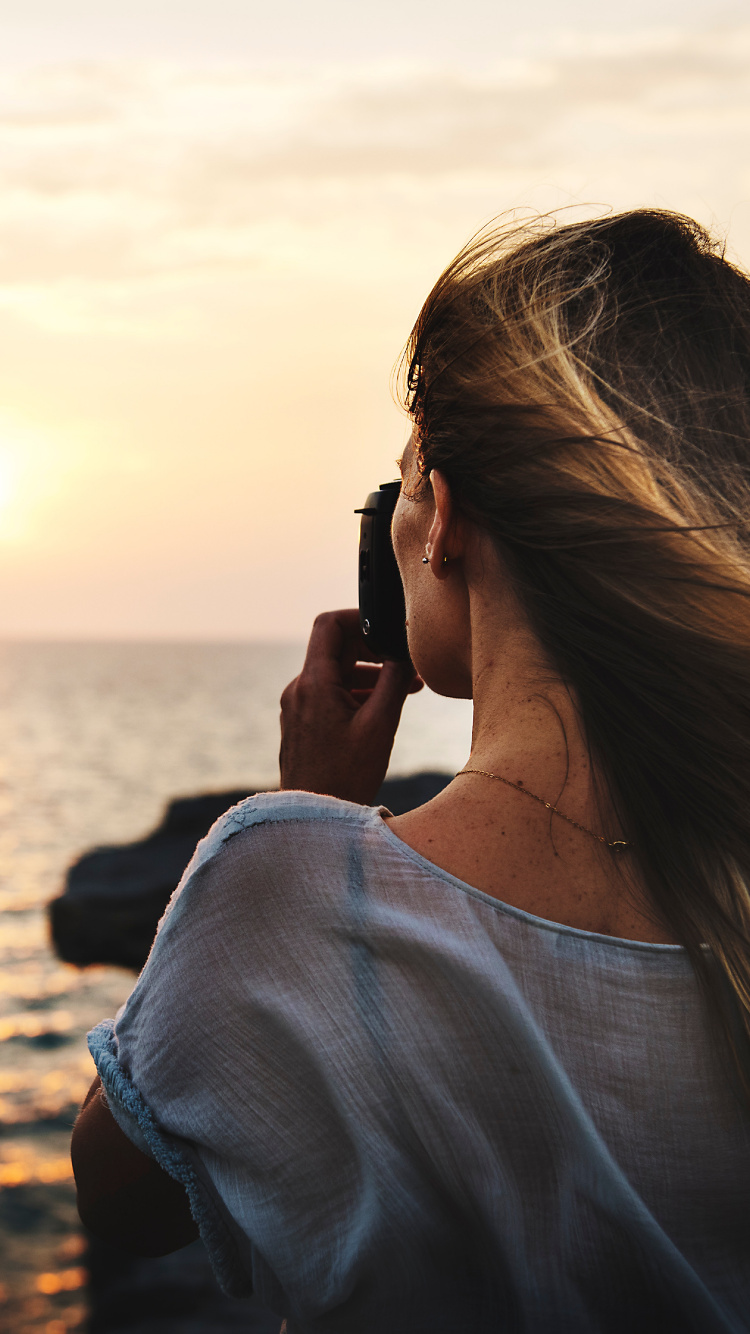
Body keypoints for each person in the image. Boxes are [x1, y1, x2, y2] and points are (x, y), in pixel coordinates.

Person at [72, 209, 750, 1332]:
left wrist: (311, 810)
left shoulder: (283, 876)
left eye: (406, 483)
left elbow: (121, 1196)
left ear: (448, 522)